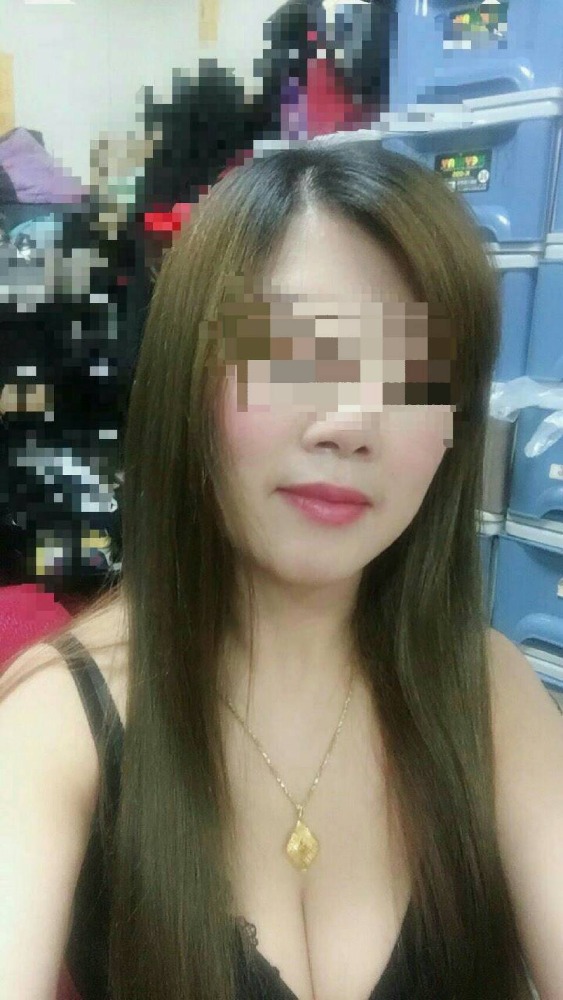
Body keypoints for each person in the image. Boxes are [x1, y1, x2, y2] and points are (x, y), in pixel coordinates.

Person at [1, 137, 561, 1000]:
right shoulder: (58, 722)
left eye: (412, 376)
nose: (350, 424)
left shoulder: (488, 693)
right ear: (191, 379)